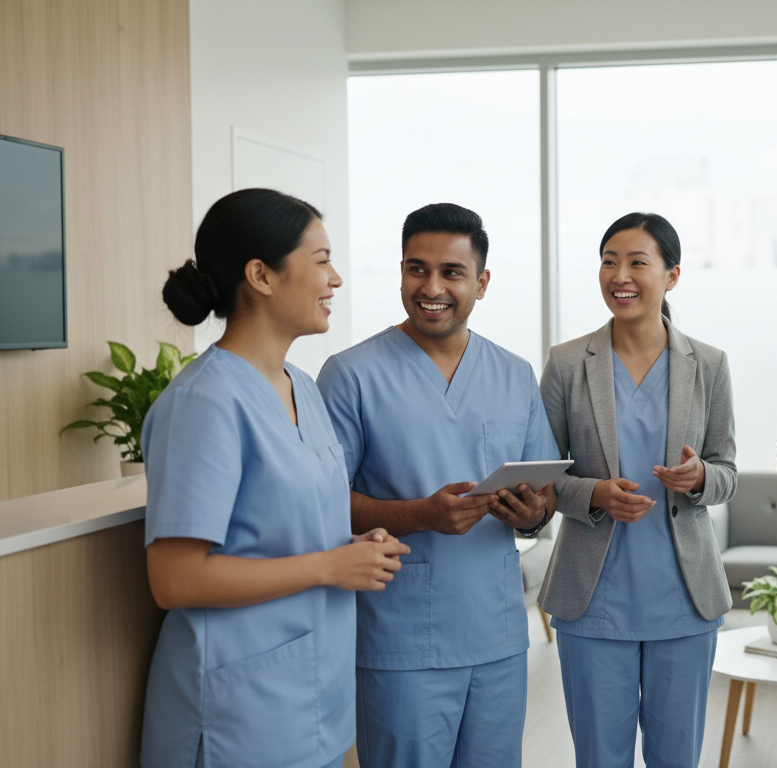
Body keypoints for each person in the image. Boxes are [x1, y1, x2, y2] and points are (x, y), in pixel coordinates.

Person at [141, 188, 410, 768]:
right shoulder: (204, 402)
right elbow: (175, 578)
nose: (335, 278)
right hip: (237, 710)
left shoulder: (303, 389)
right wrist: (327, 566)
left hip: (316, 698)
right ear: (261, 275)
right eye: (320, 261)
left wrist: (350, 549)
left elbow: (288, 527)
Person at [315, 202, 559, 768]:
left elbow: (543, 497)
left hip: (497, 636)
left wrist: (530, 515)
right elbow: (322, 506)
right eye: (416, 268)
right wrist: (423, 515)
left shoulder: (514, 373)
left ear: (482, 282)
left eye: (451, 272)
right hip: (400, 642)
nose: (431, 287)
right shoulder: (350, 375)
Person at [537, 212, 736, 768]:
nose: (619, 275)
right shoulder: (567, 363)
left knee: (678, 757)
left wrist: (700, 479)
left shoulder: (709, 365)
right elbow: (543, 474)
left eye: (637, 262)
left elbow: (727, 470)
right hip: (594, 600)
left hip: (683, 598)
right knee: (600, 758)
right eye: (608, 261)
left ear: (671, 276)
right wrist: (594, 494)